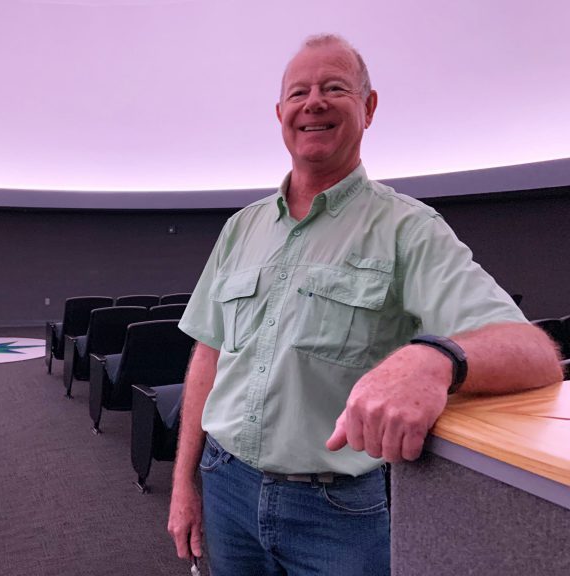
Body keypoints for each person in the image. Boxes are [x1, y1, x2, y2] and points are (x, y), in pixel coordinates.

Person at [167, 33, 562, 576]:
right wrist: (183, 484)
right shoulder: (241, 228)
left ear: (369, 107)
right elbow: (208, 357)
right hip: (224, 484)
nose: (314, 102)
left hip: (336, 511)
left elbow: (534, 352)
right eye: (299, 92)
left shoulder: (407, 229)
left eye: (334, 88)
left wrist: (434, 358)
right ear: (280, 114)